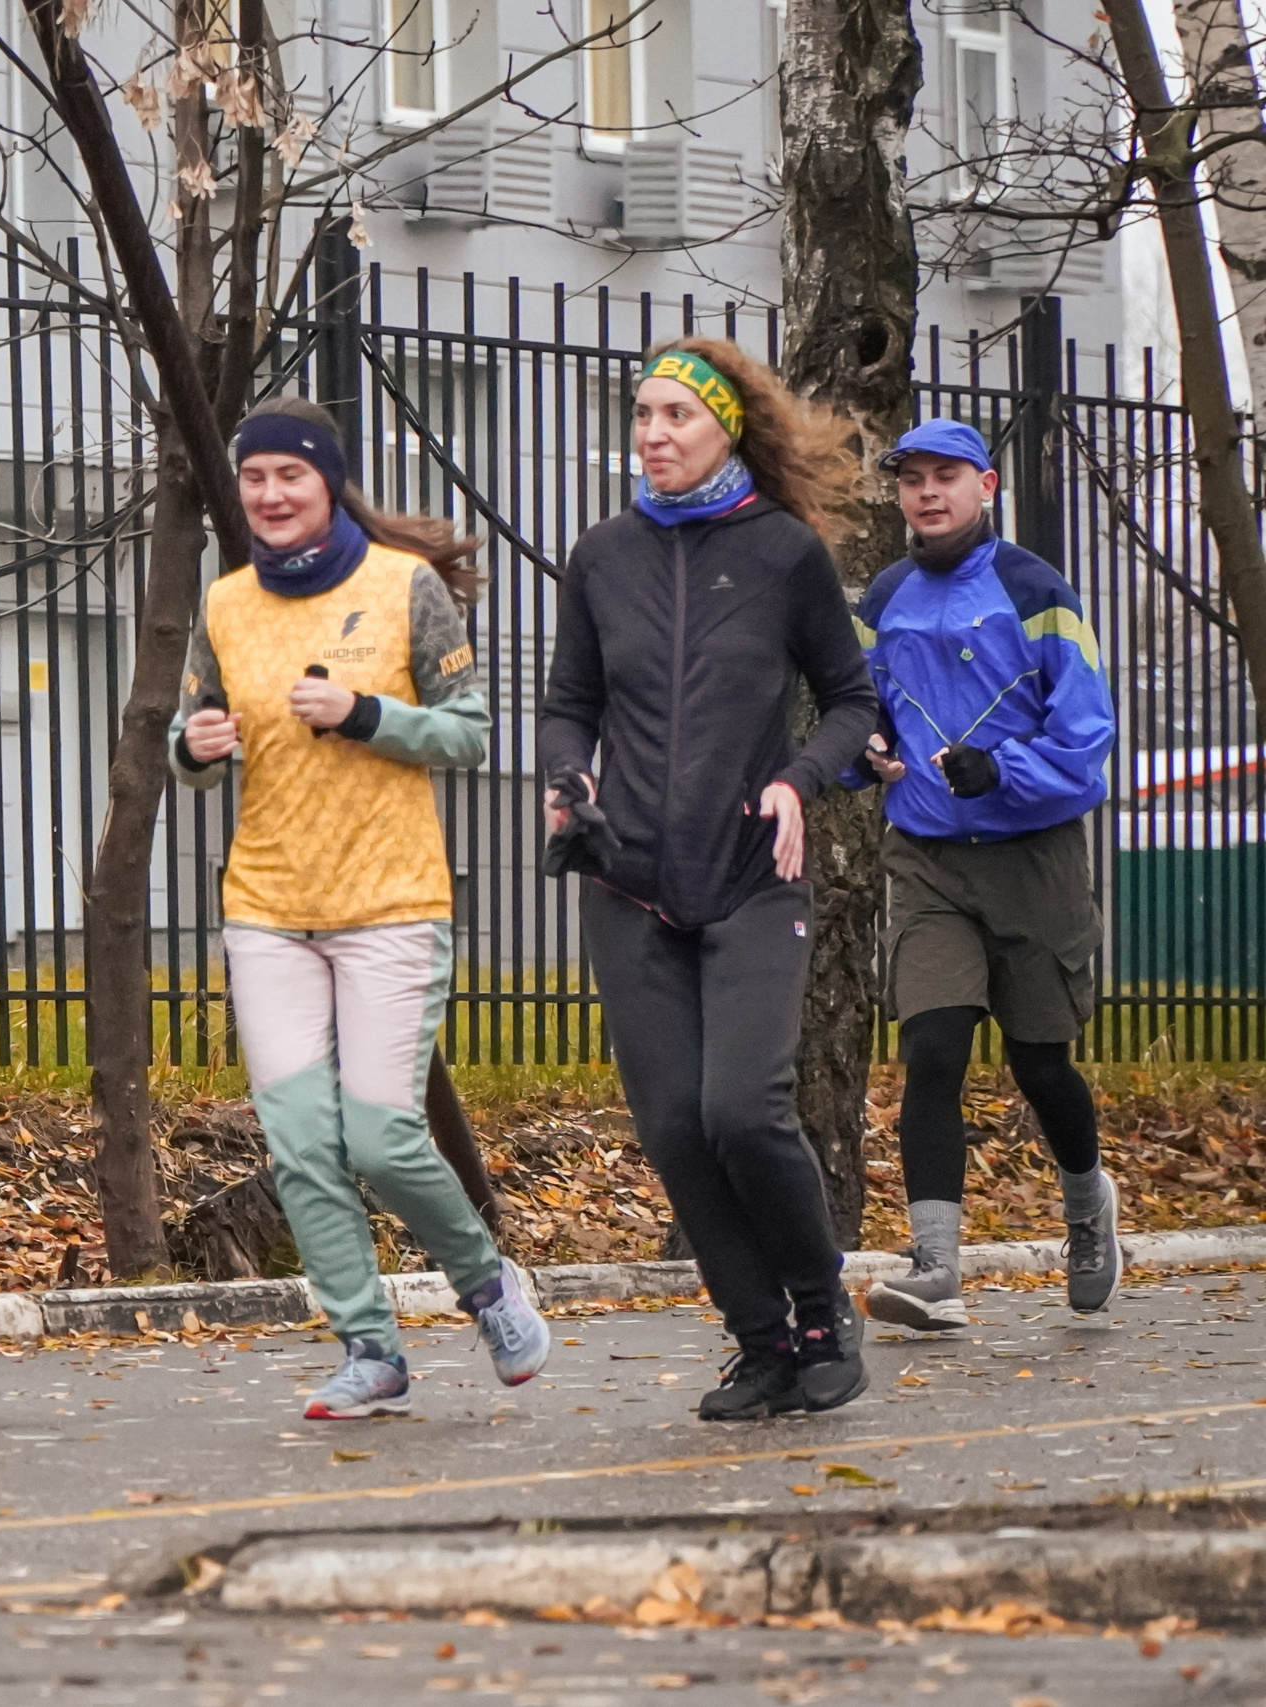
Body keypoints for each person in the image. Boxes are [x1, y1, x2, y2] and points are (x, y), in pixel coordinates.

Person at [172, 395, 551, 1420]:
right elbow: (193, 728)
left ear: (326, 483)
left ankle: (485, 1285)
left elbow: (468, 734)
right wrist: (194, 748)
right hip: (267, 905)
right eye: (253, 479)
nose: (268, 494)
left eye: (288, 476)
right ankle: (368, 1347)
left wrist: (364, 714)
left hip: (388, 901)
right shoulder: (226, 604)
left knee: (381, 1138)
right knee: (299, 1141)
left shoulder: (403, 589)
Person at [538, 339, 881, 1421]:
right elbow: (566, 703)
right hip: (630, 881)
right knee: (675, 1128)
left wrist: (797, 780)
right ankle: (760, 1342)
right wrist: (565, 775)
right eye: (640, 415)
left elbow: (852, 704)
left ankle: (824, 1314)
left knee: (742, 1109)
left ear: (725, 426)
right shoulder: (601, 556)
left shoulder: (783, 555)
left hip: (751, 875)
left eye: (674, 415)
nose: (651, 434)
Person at [846, 418, 1122, 1332]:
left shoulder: (1035, 590)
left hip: (1032, 856)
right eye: (913, 479)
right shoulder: (883, 597)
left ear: (987, 485)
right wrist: (869, 753)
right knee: (933, 1050)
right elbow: (861, 714)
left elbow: (1088, 740)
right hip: (925, 856)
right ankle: (935, 1268)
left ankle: (1089, 1209)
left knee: (1041, 1061)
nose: (928, 492)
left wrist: (1004, 769)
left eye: (946, 477)